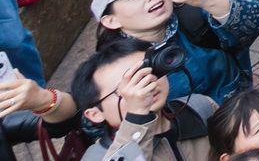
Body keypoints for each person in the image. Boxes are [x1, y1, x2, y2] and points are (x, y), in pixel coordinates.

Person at [93, 0, 259, 105]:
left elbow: (257, 20)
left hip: (243, 112)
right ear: (111, 20)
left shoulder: (191, 14)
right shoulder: (116, 70)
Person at [71, 37, 210, 161]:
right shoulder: (95, 157)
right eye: (127, 87)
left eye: (149, 72)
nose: (147, 85)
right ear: (95, 114)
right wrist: (137, 116)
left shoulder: (199, 107)